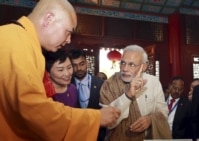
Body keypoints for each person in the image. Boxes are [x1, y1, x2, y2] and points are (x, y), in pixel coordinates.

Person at [0, 0, 120, 140]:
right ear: (49, 19)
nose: (69, 40)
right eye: (68, 32)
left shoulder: (16, 38)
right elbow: (34, 112)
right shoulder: (17, 43)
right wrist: (96, 118)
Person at [99, 44, 172, 141]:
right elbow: (108, 123)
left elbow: (163, 112)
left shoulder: (153, 82)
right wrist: (128, 95)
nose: (125, 69)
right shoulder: (109, 85)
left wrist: (150, 120)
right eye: (123, 63)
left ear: (144, 66)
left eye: (131, 64)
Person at [69, 48, 106, 141]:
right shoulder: (66, 85)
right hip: (74, 135)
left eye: (82, 64)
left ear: (87, 63)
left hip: (97, 135)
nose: (79, 69)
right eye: (74, 65)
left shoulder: (100, 84)